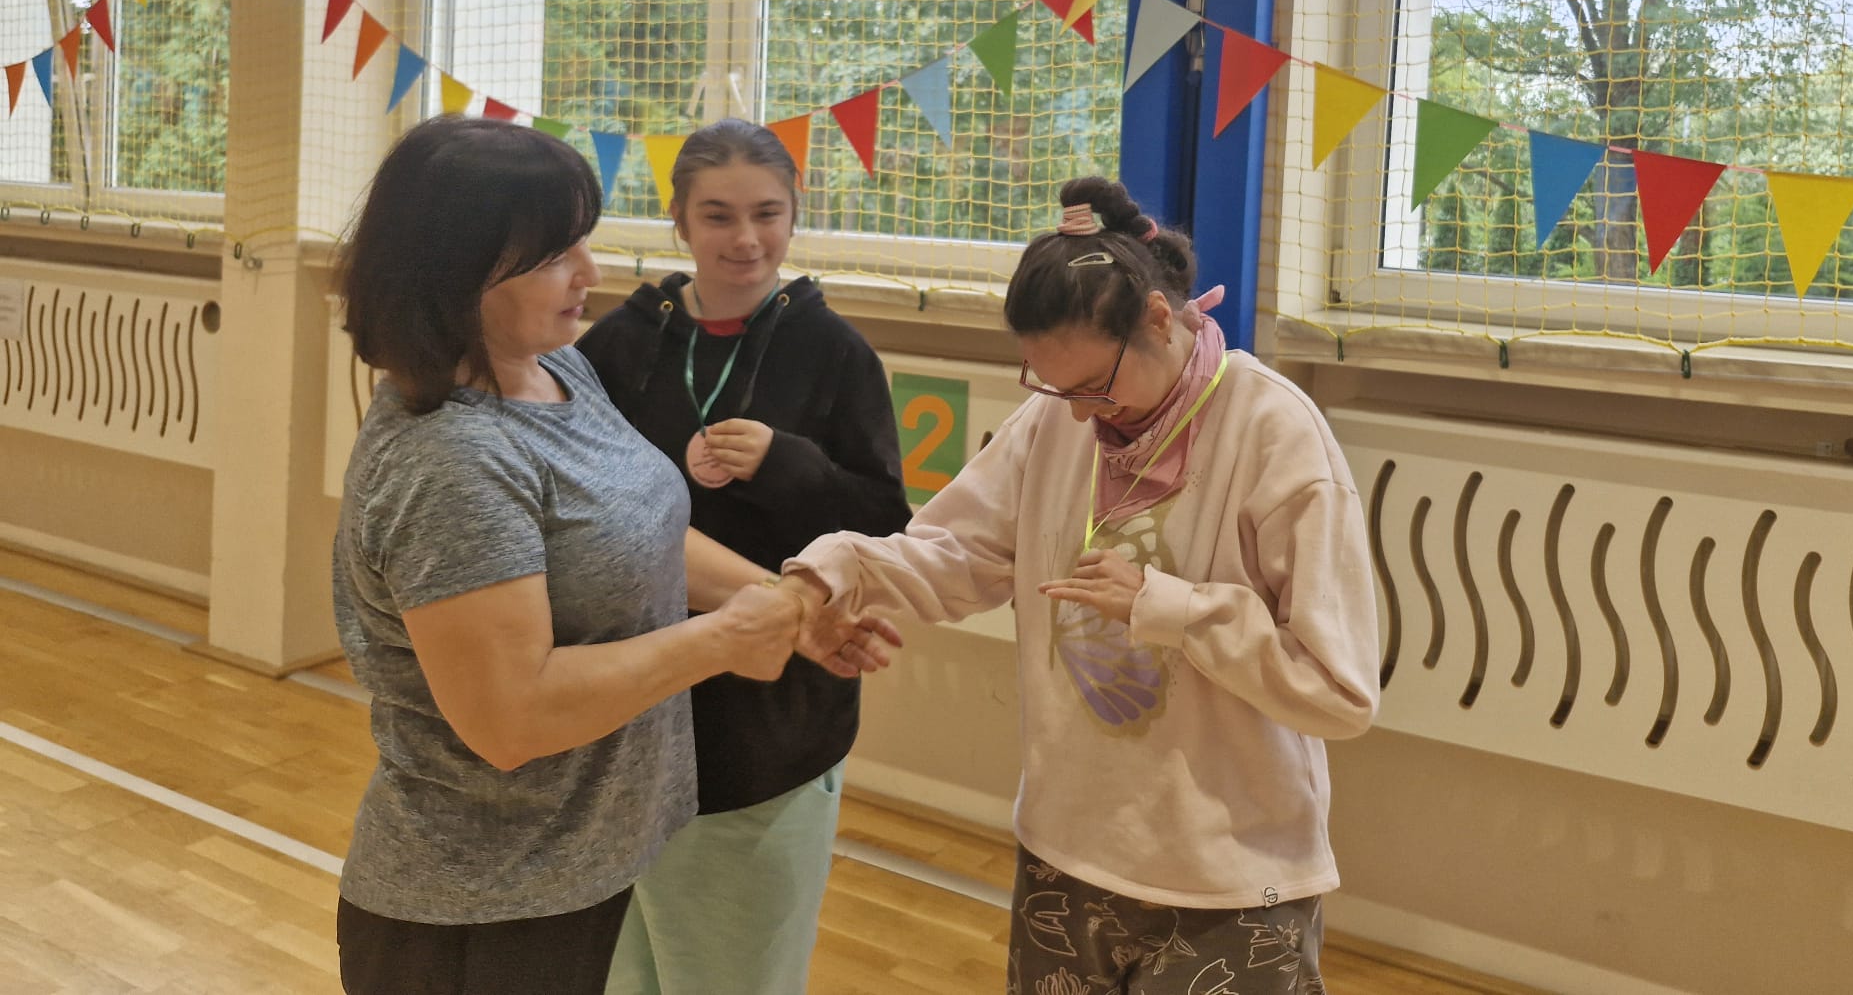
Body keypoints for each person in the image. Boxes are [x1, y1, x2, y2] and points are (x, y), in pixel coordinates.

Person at [330, 115, 895, 995]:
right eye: (557, 256)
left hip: (589, 866)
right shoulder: (450, 461)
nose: (590, 274)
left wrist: (786, 606)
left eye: (583, 243)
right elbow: (513, 718)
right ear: (459, 272)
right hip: (484, 904)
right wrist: (725, 640)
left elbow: (641, 534)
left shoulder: (554, 369)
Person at [786, 175, 1380, 994]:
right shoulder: (1060, 416)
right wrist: (835, 571)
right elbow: (957, 556)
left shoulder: (1276, 434)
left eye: (1093, 387)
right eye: (1051, 387)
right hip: (1067, 850)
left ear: (1159, 321)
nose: (1075, 414)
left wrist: (1170, 608)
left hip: (1230, 879)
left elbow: (1338, 691)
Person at [577, 117, 912, 995]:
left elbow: (884, 525)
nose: (746, 239)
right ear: (680, 221)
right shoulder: (616, 345)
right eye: (718, 215)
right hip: (625, 717)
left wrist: (790, 467)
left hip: (764, 728)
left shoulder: (835, 355)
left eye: (767, 213)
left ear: (795, 213)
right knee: (622, 974)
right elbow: (575, 503)